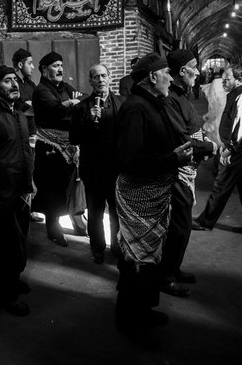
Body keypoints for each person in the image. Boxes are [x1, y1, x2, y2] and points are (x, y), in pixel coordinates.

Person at [114, 53, 192, 349]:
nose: (171, 79)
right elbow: (130, 160)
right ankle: (128, 320)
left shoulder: (153, 104)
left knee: (149, 259)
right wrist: (173, 158)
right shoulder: (135, 108)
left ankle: (143, 310)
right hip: (138, 196)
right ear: (152, 77)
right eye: (166, 74)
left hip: (156, 192)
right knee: (136, 261)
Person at [160, 50, 216, 298]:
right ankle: (166, 275)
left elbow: (194, 127)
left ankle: (174, 266)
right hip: (175, 171)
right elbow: (182, 138)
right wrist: (210, 147)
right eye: (194, 67)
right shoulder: (170, 98)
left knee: (182, 225)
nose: (198, 72)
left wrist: (203, 140)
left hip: (187, 168)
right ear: (182, 71)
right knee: (179, 226)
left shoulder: (182, 95)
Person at [0, 65, 35, 317]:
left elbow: (26, 150)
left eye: (15, 80)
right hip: (3, 190)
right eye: (7, 81)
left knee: (20, 237)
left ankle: (14, 279)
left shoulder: (21, 112)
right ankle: (7, 294)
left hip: (23, 187)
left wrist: (31, 181)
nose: (14, 84)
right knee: (7, 244)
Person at [193, 66, 242, 236]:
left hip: (241, 148)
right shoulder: (235, 95)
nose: (224, 82)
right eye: (223, 78)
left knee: (222, 183)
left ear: (239, 80)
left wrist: (230, 148)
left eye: (228, 78)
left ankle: (206, 221)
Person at [70, 64, 123, 264]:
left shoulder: (122, 104)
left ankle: (117, 246)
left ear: (110, 78)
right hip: (93, 170)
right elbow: (74, 138)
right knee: (95, 212)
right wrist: (89, 121)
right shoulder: (81, 108)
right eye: (95, 77)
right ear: (90, 81)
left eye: (103, 75)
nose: (100, 79)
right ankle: (98, 248)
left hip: (116, 169)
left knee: (117, 212)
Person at [32, 51, 85, 247]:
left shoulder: (64, 87)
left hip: (68, 144)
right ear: (44, 70)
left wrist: (71, 102)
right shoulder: (41, 90)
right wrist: (71, 103)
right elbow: (56, 110)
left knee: (69, 184)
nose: (60, 69)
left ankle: (75, 217)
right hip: (50, 146)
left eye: (61, 65)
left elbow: (84, 97)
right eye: (55, 65)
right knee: (52, 188)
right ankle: (53, 228)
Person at [12, 48, 43, 222]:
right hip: (20, 131)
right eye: (30, 63)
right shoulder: (13, 82)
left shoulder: (30, 84)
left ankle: (32, 208)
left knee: (33, 169)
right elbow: (21, 107)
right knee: (24, 169)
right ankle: (24, 209)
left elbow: (36, 105)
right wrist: (32, 106)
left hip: (33, 130)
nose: (32, 67)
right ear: (21, 64)